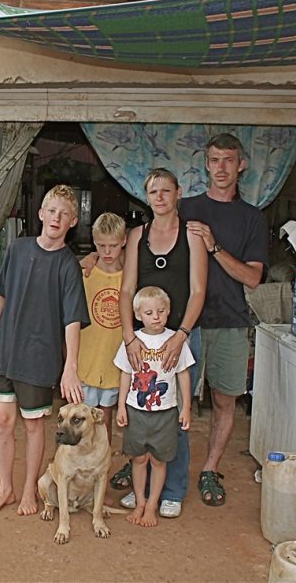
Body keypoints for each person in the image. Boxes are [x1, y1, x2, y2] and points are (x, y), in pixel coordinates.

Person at [87, 168, 207, 518]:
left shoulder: (192, 235)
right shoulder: (137, 235)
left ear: (178, 193)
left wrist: (181, 335)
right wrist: (129, 338)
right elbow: (126, 289)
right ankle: (143, 484)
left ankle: (172, 490)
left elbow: (198, 290)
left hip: (181, 335)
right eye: (153, 191)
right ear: (146, 196)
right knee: (141, 411)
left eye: (166, 190)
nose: (160, 197)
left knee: (175, 415)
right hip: (143, 339)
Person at [0, 184, 90, 517]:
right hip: (8, 347)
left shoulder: (68, 266)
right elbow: (1, 294)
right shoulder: (17, 249)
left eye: (64, 214)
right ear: (41, 213)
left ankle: (29, 489)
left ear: (73, 222)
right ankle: (6, 488)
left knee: (33, 425)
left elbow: (72, 320)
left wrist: (70, 366)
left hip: (40, 356)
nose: (56, 218)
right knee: (2, 419)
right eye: (52, 211)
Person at [184, 133, 268, 507]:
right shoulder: (185, 208)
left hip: (230, 320)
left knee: (224, 400)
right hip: (184, 322)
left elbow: (252, 277)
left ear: (241, 165)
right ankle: (161, 464)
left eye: (228, 160)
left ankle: (210, 469)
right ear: (206, 164)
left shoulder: (252, 218)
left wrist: (214, 246)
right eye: (215, 160)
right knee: (171, 399)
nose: (221, 168)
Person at [115, 286, 194, 527]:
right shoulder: (132, 341)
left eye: (161, 311)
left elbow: (183, 374)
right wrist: (121, 407)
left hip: (166, 411)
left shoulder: (175, 341)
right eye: (149, 313)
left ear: (169, 311)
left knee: (159, 461)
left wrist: (186, 407)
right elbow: (125, 374)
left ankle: (152, 505)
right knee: (139, 459)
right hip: (136, 410)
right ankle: (140, 501)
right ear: (138, 315)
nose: (156, 317)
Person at [77, 212, 128, 444]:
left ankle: (102, 460)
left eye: (113, 246)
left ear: (124, 241)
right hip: (85, 359)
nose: (107, 252)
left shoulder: (129, 277)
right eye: (101, 245)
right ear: (94, 242)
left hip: (113, 360)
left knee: (105, 418)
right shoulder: (84, 273)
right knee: (81, 419)